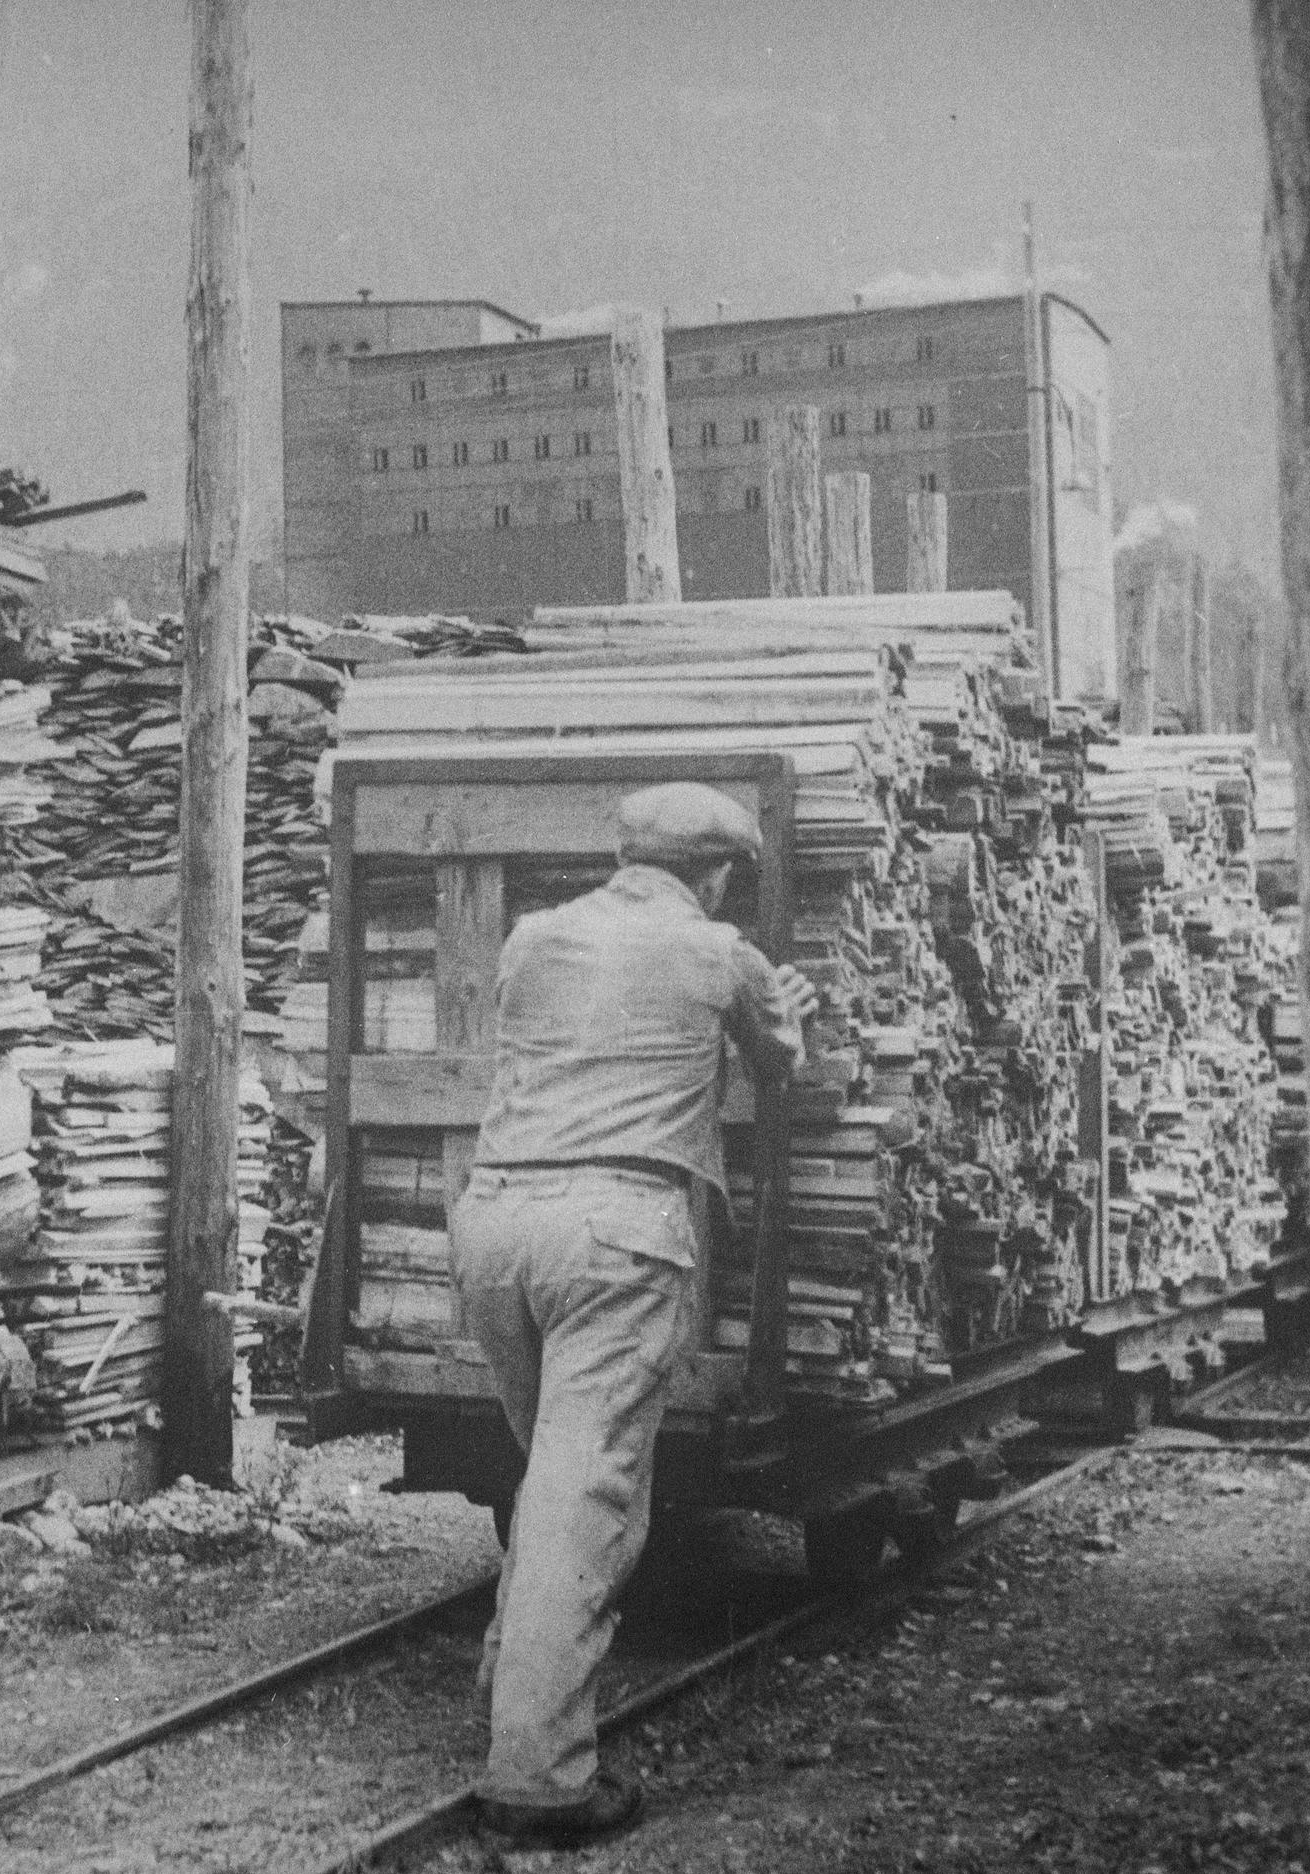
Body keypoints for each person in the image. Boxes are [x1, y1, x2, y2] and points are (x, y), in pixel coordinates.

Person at [450, 780, 817, 1848]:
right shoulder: (721, 954)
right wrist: (786, 1018)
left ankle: (500, 1698)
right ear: (711, 874)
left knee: (552, 1477)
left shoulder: (531, 939)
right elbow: (776, 1065)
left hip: (495, 1227)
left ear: (623, 856)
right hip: (615, 1234)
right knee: (584, 1499)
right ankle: (537, 1779)